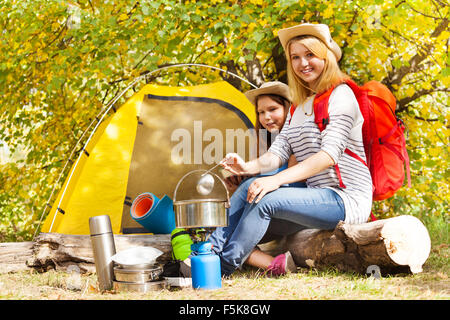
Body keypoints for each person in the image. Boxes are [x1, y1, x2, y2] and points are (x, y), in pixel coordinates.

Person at [208, 23, 373, 277]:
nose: (302, 63)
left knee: (267, 199)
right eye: (295, 57)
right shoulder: (298, 107)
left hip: (345, 199)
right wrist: (246, 167)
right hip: (317, 198)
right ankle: (208, 252)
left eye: (310, 55)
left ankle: (222, 267)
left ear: (325, 57)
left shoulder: (342, 95)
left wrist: (274, 181)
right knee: (246, 190)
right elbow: (279, 153)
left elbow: (328, 156)